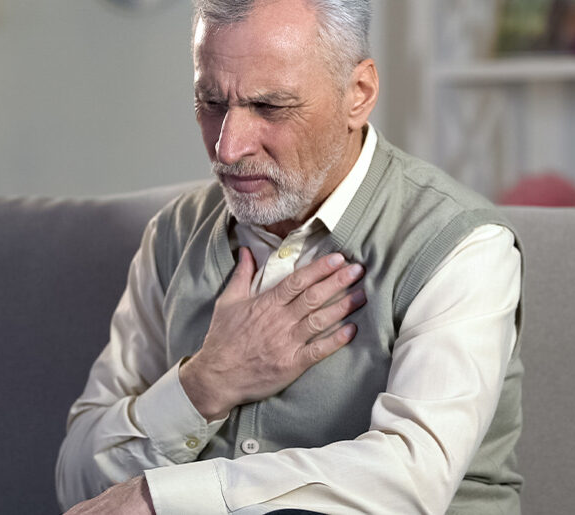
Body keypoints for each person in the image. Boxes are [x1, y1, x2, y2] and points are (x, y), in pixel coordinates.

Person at [55, 0, 524, 513]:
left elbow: (411, 481)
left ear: (358, 94)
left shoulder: (461, 247)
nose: (228, 148)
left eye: (270, 107)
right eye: (210, 102)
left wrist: (161, 497)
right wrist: (209, 380)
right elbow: (79, 478)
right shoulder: (172, 235)